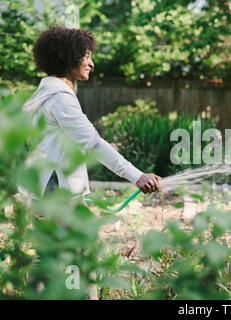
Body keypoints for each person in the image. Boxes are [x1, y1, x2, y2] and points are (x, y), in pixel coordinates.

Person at [20, 25, 161, 299]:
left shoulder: (41, 96)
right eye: (86, 56)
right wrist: (137, 176)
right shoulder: (60, 99)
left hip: (40, 192)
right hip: (56, 194)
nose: (92, 63)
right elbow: (93, 144)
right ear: (68, 57)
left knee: (48, 255)